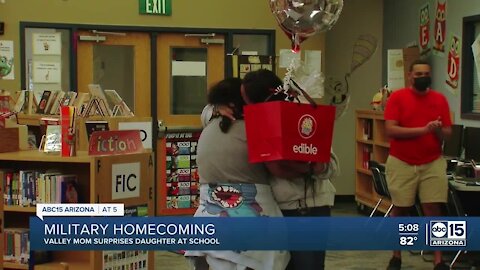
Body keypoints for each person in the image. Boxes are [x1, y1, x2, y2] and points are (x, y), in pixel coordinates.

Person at [202, 69, 339, 270]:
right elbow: (206, 114)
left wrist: (308, 166)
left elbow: (331, 166)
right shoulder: (250, 122)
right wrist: (217, 106)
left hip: (307, 208)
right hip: (276, 209)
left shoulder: (302, 114)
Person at [384, 59, 452, 270]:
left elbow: (448, 134)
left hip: (432, 162)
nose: (423, 77)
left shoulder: (440, 100)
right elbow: (391, 130)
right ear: (410, 76)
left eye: (426, 74)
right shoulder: (398, 98)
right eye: (419, 74)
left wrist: (437, 129)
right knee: (401, 209)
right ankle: (397, 256)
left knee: (433, 208)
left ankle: (439, 260)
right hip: (402, 162)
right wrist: (423, 130)